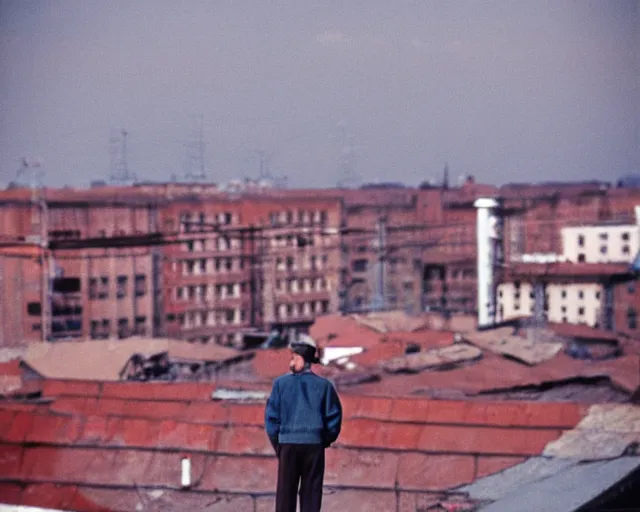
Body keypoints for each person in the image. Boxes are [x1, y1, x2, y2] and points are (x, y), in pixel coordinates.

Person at [264, 334, 342, 512]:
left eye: (293, 358)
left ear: (301, 359)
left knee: (285, 494)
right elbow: (334, 418)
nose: (291, 362)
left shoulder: (280, 384)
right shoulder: (324, 386)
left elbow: (271, 420)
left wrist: (279, 444)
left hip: (288, 445)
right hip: (313, 445)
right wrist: (323, 440)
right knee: (312, 493)